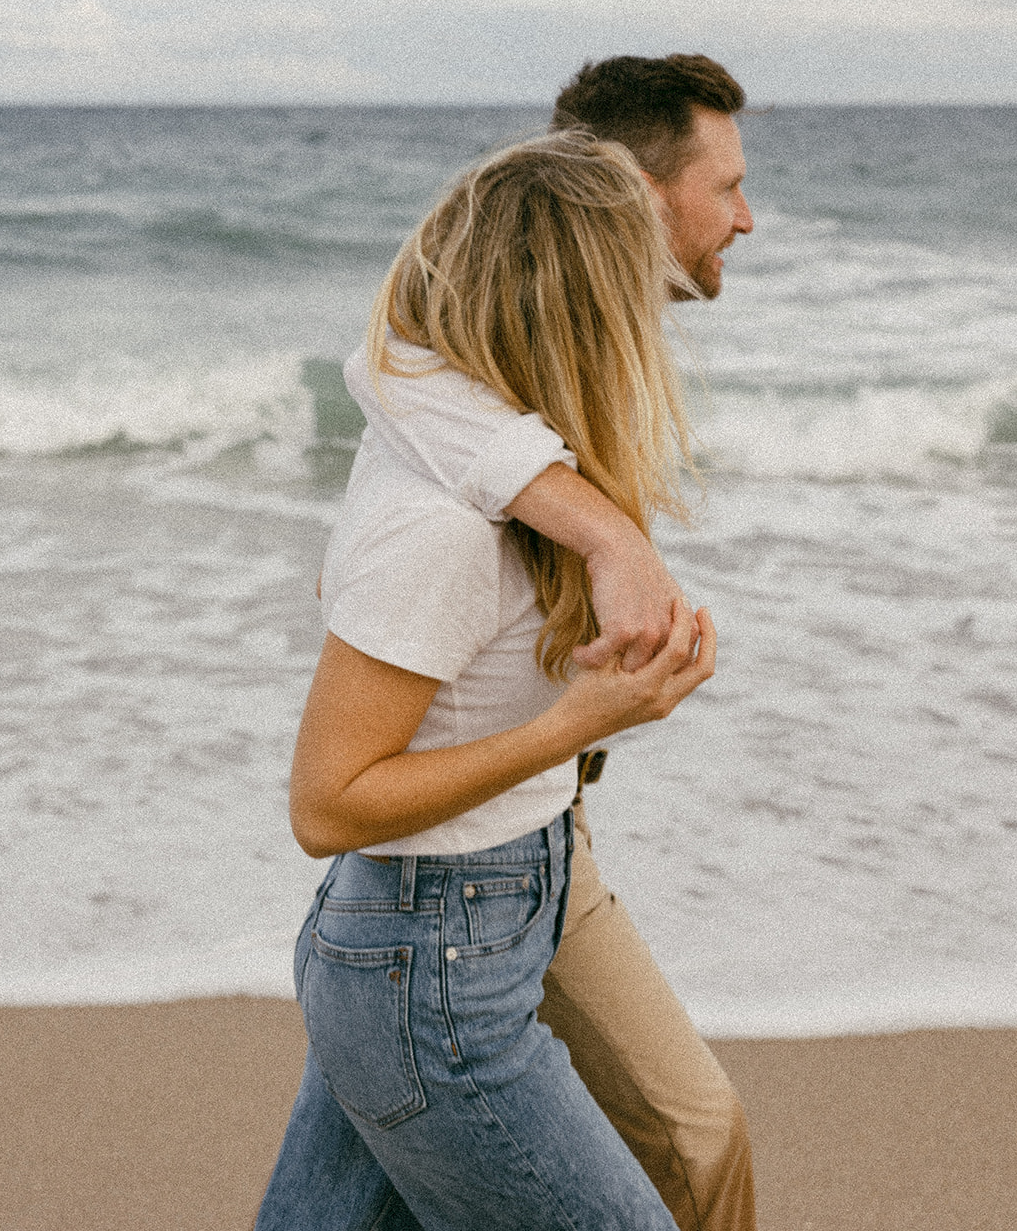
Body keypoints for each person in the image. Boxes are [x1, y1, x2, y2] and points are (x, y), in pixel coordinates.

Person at [258, 131, 719, 1230]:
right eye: (629, 293)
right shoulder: (441, 528)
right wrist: (576, 722)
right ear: (582, 314)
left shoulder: (501, 460)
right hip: (429, 966)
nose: (650, 323)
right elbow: (326, 804)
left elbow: (388, 366)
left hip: (467, 931)